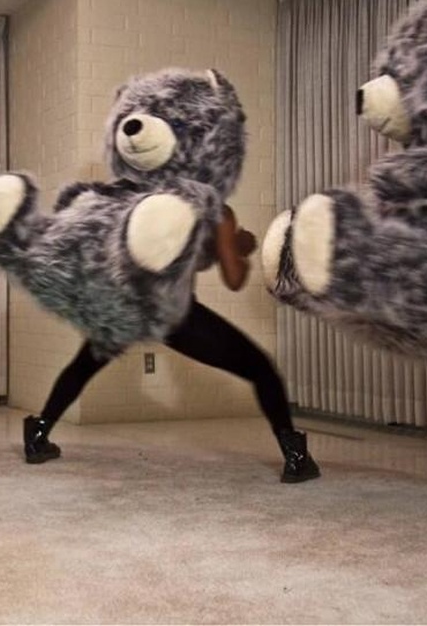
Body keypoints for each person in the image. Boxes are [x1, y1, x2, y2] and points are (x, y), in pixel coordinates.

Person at [23, 205, 321, 483]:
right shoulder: (217, 211)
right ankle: (295, 457)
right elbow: (234, 278)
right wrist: (236, 249)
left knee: (82, 367)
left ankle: (38, 434)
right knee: (261, 369)